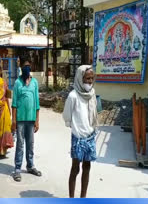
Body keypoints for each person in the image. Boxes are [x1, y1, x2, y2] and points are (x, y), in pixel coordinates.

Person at [63, 65, 98, 198]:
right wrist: (75, 127)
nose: (90, 81)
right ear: (80, 78)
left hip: (90, 137)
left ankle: (83, 197)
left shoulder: (92, 94)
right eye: (87, 78)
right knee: (75, 169)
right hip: (78, 138)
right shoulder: (73, 96)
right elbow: (67, 116)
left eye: (91, 78)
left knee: (87, 167)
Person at [11, 57, 41, 182]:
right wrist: (13, 121)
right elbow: (14, 104)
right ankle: (17, 169)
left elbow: (37, 103)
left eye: (29, 66)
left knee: (31, 144)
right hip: (20, 120)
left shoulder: (34, 82)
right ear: (21, 68)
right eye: (25, 66)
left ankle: (30, 166)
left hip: (31, 119)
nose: (27, 68)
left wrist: (37, 120)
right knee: (20, 144)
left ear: (31, 67)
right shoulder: (18, 82)